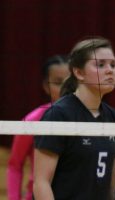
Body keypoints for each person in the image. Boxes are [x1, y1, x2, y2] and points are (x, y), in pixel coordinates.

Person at [33, 37, 115, 200]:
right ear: (79, 72)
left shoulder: (114, 117)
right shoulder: (58, 115)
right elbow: (41, 183)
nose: (110, 70)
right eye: (100, 64)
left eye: (113, 65)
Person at [6, 55, 70, 200]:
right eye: (58, 82)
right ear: (46, 86)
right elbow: (15, 165)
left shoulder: (88, 119)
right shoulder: (32, 121)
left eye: (70, 82)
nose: (66, 88)